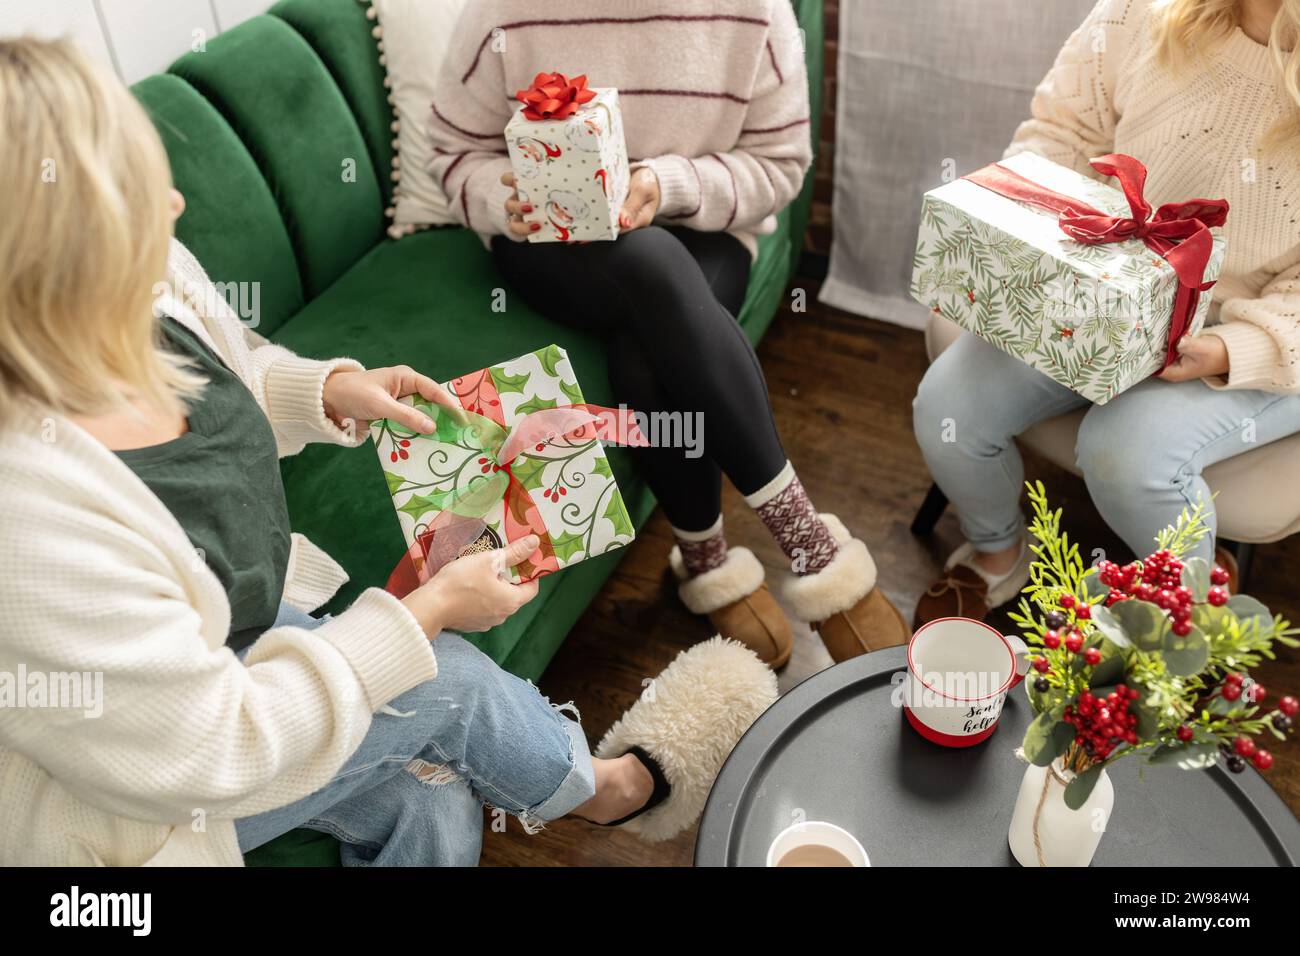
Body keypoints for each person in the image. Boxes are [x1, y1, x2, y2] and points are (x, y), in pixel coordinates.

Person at [0, 37, 774, 866]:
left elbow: (223, 375)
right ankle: (614, 793)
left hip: (244, 626)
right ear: (63, 242)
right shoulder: (30, 522)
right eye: (142, 191)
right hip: (148, 792)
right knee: (451, 682)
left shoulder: (144, 281)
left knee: (431, 802)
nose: (179, 205)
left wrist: (327, 390)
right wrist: (427, 613)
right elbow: (212, 750)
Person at [427, 0, 911, 665]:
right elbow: (452, 153)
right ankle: (810, 547)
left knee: (650, 340)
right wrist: (501, 196)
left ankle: (703, 560)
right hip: (546, 243)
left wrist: (667, 183)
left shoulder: (754, 13)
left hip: (701, 229)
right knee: (652, 265)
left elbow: (780, 167)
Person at [912, 0, 1300, 626]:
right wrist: (1049, 252)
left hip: (1263, 327)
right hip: (1113, 281)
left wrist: (1231, 348)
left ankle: (1184, 615)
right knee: (948, 407)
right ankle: (999, 550)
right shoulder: (1140, 12)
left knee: (1125, 452)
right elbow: (1062, 133)